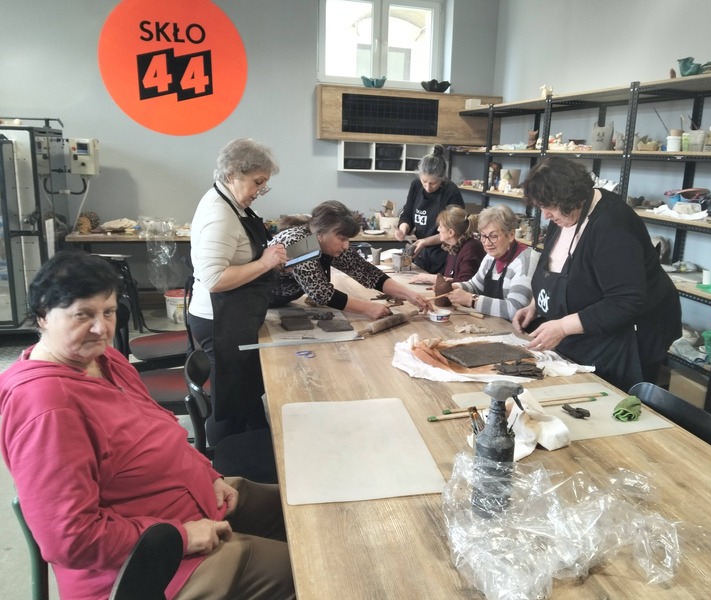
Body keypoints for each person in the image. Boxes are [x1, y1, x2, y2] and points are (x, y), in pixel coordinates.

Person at [0, 251, 294, 600]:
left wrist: (208, 473)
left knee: (300, 510)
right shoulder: (46, 406)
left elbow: (160, 428)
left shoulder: (104, 359)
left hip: (191, 501)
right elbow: (70, 539)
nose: (101, 328)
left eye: (108, 312)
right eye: (83, 315)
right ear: (42, 317)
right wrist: (181, 536)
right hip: (147, 568)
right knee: (308, 570)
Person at [513, 156, 681, 390]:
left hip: (630, 335)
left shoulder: (612, 225)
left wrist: (562, 327)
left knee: (611, 398)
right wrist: (537, 305)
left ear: (570, 198)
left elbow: (625, 300)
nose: (546, 215)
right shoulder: (564, 216)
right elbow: (554, 268)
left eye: (548, 207)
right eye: (541, 207)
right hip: (591, 331)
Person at [187, 138, 287, 446]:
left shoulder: (232, 205)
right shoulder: (220, 213)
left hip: (233, 315)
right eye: (257, 182)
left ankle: (257, 445)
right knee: (230, 400)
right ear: (232, 174)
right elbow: (214, 278)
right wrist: (264, 263)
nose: (259, 190)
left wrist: (269, 261)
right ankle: (224, 460)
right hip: (218, 320)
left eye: (264, 184)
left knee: (246, 394)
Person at [269, 200, 431, 319]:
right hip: (267, 306)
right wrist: (368, 308)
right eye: (342, 238)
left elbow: (366, 271)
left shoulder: (323, 240)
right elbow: (320, 293)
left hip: (285, 304)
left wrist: (409, 294)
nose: (346, 245)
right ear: (321, 234)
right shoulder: (299, 243)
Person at [446, 204, 534, 321]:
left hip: (519, 329)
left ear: (511, 235)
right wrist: (454, 287)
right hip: (496, 323)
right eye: (483, 236)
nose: (487, 243)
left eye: (493, 236)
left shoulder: (526, 260)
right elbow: (476, 286)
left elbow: (515, 309)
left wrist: (471, 300)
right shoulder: (491, 257)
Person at [395, 144, 465, 274]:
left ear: (442, 178)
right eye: (424, 181)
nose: (427, 187)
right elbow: (407, 214)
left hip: (443, 255)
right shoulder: (416, 185)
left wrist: (426, 241)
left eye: (433, 183)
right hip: (421, 253)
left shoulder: (451, 192)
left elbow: (454, 230)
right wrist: (403, 229)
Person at [408, 204, 485, 285]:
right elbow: (449, 278)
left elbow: (465, 284)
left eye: (441, 227)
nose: (438, 229)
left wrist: (430, 278)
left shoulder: (471, 249)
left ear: (451, 232)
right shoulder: (454, 246)